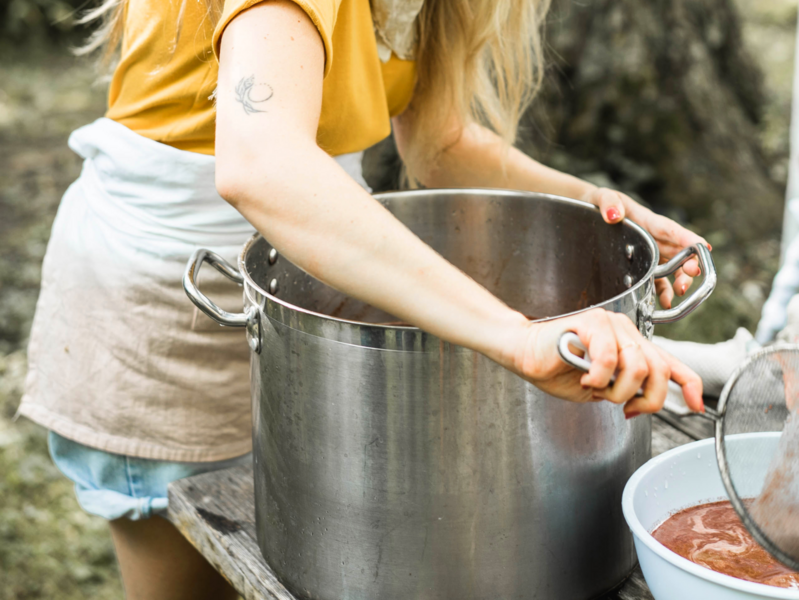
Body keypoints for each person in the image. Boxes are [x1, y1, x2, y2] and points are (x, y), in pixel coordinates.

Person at [17, 0, 709, 598]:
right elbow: (262, 166)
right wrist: (511, 333)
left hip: (330, 288)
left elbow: (439, 145)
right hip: (171, 319)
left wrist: (594, 209)